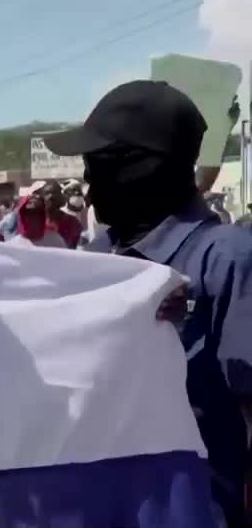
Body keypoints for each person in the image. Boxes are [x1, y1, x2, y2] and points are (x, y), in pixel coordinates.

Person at [45, 79, 252, 528]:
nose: (86, 180)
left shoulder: (227, 260)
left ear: (142, 168)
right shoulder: (98, 258)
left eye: (96, 163)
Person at [41, 181, 83, 249]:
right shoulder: (37, 222)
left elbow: (77, 247)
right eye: (47, 194)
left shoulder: (72, 222)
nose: (50, 197)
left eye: (55, 193)